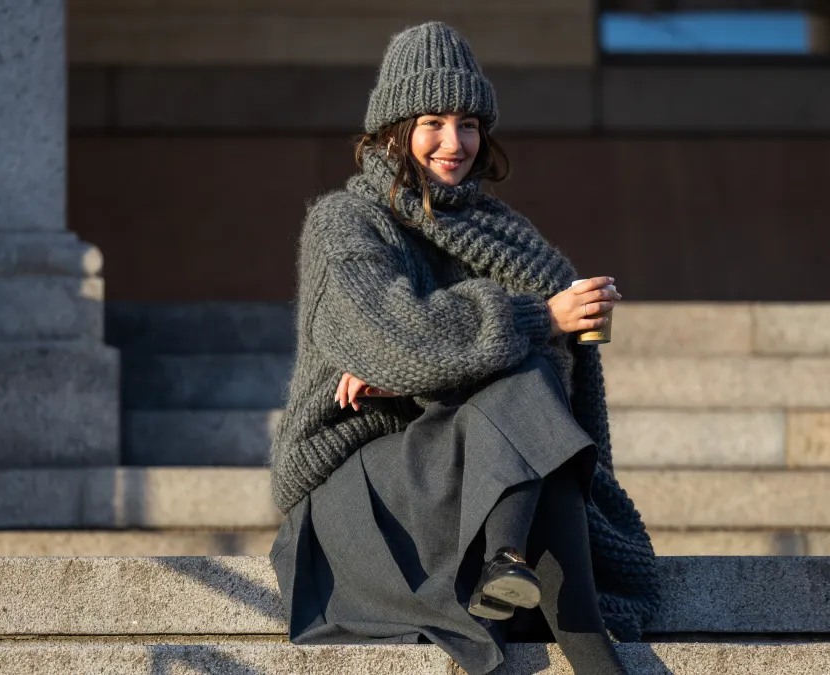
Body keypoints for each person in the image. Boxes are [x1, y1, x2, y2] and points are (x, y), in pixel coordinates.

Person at [268, 21, 660, 675]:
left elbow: (543, 383)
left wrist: (433, 372)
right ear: (393, 130)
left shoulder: (503, 234)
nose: (455, 143)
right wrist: (535, 321)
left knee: (530, 388)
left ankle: (510, 566)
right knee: (524, 366)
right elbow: (396, 338)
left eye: (469, 124)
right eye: (432, 123)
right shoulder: (345, 222)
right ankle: (572, 633)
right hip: (365, 493)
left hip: (477, 477)